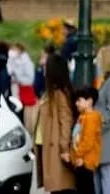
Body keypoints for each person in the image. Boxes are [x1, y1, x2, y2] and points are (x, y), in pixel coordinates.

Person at [34, 54, 76, 193]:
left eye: (46, 65)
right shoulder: (51, 91)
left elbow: (66, 120)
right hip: (47, 144)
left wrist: (64, 147)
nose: (43, 68)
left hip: (56, 148)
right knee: (55, 187)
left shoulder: (59, 94)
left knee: (60, 187)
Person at [93, 44, 110, 194]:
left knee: (108, 181)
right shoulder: (109, 80)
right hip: (105, 140)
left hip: (109, 141)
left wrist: (96, 122)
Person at [71, 86, 102, 194]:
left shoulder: (92, 118)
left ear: (89, 101)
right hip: (80, 162)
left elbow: (88, 142)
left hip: (85, 162)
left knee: (86, 189)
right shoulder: (83, 117)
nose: (76, 103)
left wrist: (78, 156)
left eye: (79, 100)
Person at [7, 42, 37, 131]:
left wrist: (17, 76)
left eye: (15, 49)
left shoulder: (26, 62)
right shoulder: (11, 60)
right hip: (14, 91)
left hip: (22, 93)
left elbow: (29, 80)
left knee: (23, 116)